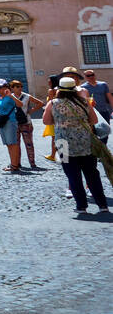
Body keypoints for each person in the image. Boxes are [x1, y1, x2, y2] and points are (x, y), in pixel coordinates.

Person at [43, 77, 111, 214]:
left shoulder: (54, 103)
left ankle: (81, 206)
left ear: (60, 90)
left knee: (73, 175)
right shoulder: (84, 102)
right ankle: (102, 205)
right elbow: (94, 120)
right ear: (74, 89)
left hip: (63, 143)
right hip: (85, 142)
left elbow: (46, 121)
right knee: (92, 174)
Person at [0, 80, 25, 172]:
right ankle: (12, 164)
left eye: (0, 87)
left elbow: (20, 104)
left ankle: (15, 165)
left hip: (10, 122)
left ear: (6, 87)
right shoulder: (0, 98)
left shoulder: (10, 97)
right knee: (8, 144)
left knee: (13, 144)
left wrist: (11, 95)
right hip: (2, 123)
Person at [12, 79, 42, 170]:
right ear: (12, 88)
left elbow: (40, 103)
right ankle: (17, 163)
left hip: (26, 123)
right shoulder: (10, 97)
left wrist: (31, 111)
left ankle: (32, 163)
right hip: (14, 124)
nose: (20, 88)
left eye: (21, 86)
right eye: (17, 86)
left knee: (29, 144)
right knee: (16, 145)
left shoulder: (26, 96)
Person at [43, 75, 61, 161]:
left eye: (49, 81)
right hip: (59, 114)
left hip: (53, 115)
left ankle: (53, 155)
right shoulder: (59, 89)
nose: (48, 82)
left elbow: (50, 102)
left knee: (54, 137)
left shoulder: (51, 90)